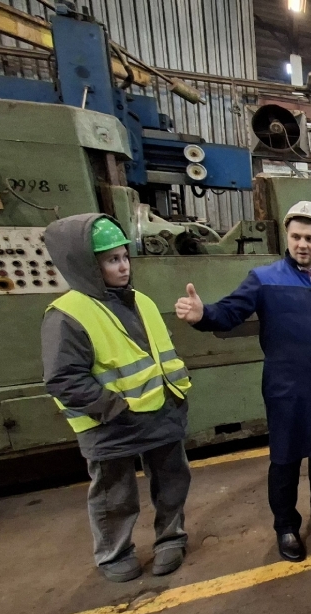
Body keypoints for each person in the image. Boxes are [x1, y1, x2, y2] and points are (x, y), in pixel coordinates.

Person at [175, 201, 311, 563]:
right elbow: (229, 313)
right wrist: (203, 314)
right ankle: (285, 524)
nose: (302, 244)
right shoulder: (264, 280)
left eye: (310, 238)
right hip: (287, 387)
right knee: (285, 457)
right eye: (296, 236)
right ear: (287, 236)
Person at [41, 214, 192, 583]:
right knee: (114, 494)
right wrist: (115, 408)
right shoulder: (67, 316)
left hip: (160, 413)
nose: (123, 266)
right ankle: (114, 553)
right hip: (110, 423)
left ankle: (171, 538)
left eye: (125, 257)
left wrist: (175, 398)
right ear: (86, 265)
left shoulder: (142, 302)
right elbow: (63, 379)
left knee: (172, 482)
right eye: (112, 260)